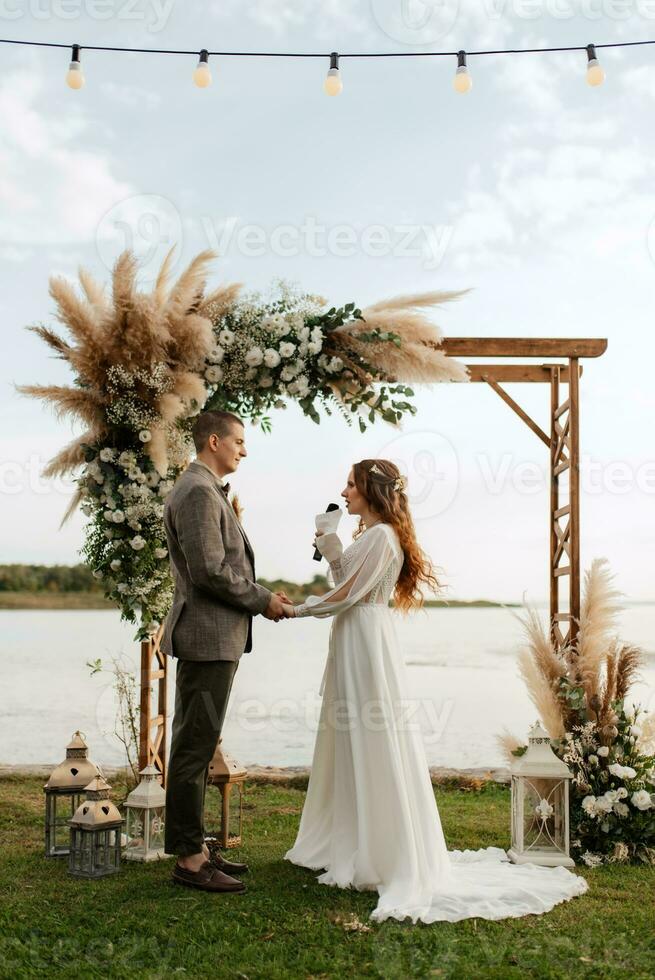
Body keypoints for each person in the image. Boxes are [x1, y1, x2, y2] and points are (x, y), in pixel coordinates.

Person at [280, 459, 588, 923]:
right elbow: (345, 581)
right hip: (353, 640)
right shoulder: (371, 535)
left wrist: (295, 610)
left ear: (370, 490)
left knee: (373, 737)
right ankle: (351, 838)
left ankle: (385, 850)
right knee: (350, 738)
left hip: (366, 643)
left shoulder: (383, 537)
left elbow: (348, 596)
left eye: (350, 485)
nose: (343, 492)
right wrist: (331, 543)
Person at [160, 410, 288, 893]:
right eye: (238, 440)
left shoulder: (206, 490)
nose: (244, 449)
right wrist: (263, 601)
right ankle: (190, 860)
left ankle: (193, 847)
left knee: (198, 741)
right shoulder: (196, 492)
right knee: (194, 747)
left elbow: (220, 566)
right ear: (213, 441)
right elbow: (209, 571)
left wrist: (265, 595)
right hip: (206, 639)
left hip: (215, 638)